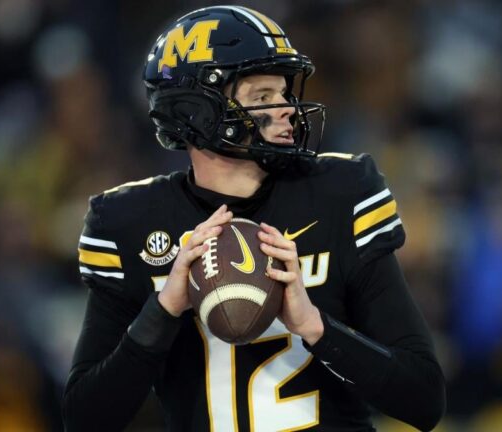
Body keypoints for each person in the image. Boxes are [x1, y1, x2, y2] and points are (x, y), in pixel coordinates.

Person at [62, 5, 445, 431]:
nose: (286, 110)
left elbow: (424, 399)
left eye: (283, 93)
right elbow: (84, 419)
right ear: (197, 111)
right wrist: (165, 307)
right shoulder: (130, 223)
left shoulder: (339, 194)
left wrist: (317, 328)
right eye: (263, 97)